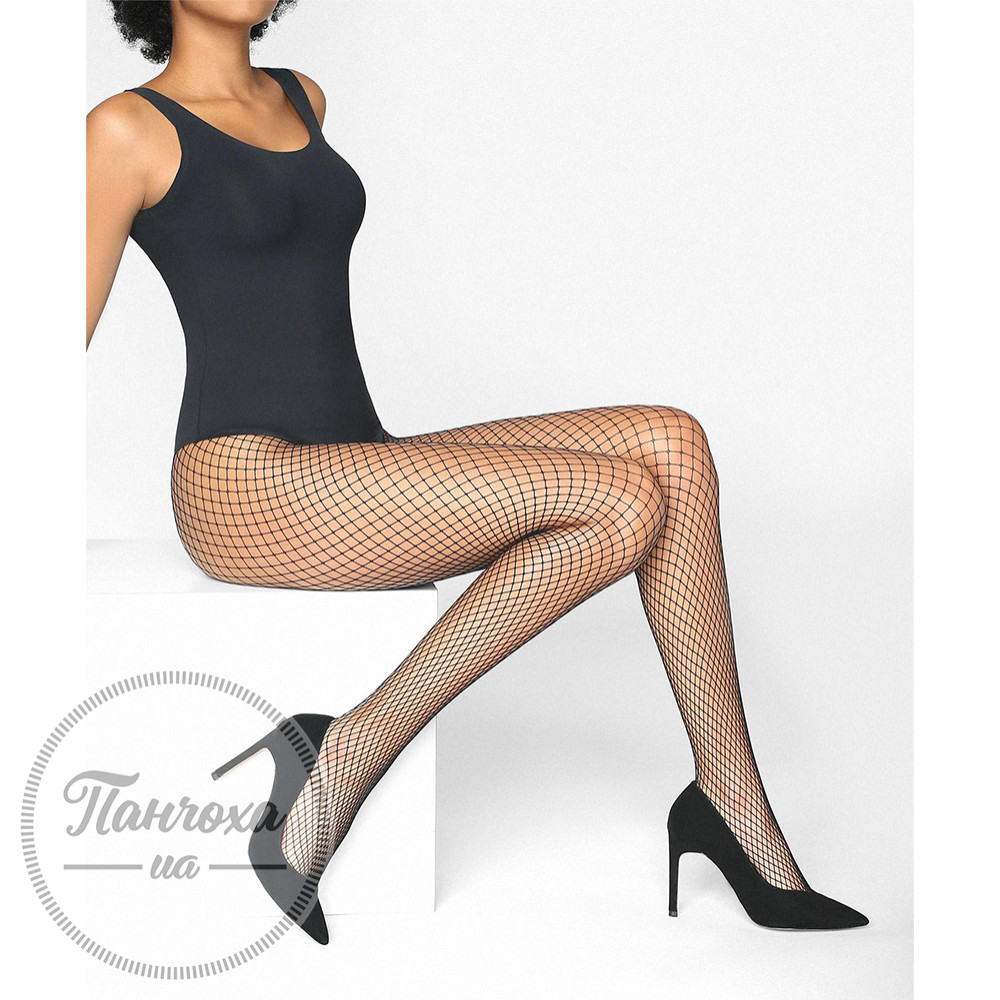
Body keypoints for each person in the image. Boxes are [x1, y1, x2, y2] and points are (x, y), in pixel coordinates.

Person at [86, 0, 868, 944]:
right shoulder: (126, 129)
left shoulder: (303, 98)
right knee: (620, 505)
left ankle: (728, 799)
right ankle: (347, 753)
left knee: (674, 443)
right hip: (243, 483)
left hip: (354, 454)